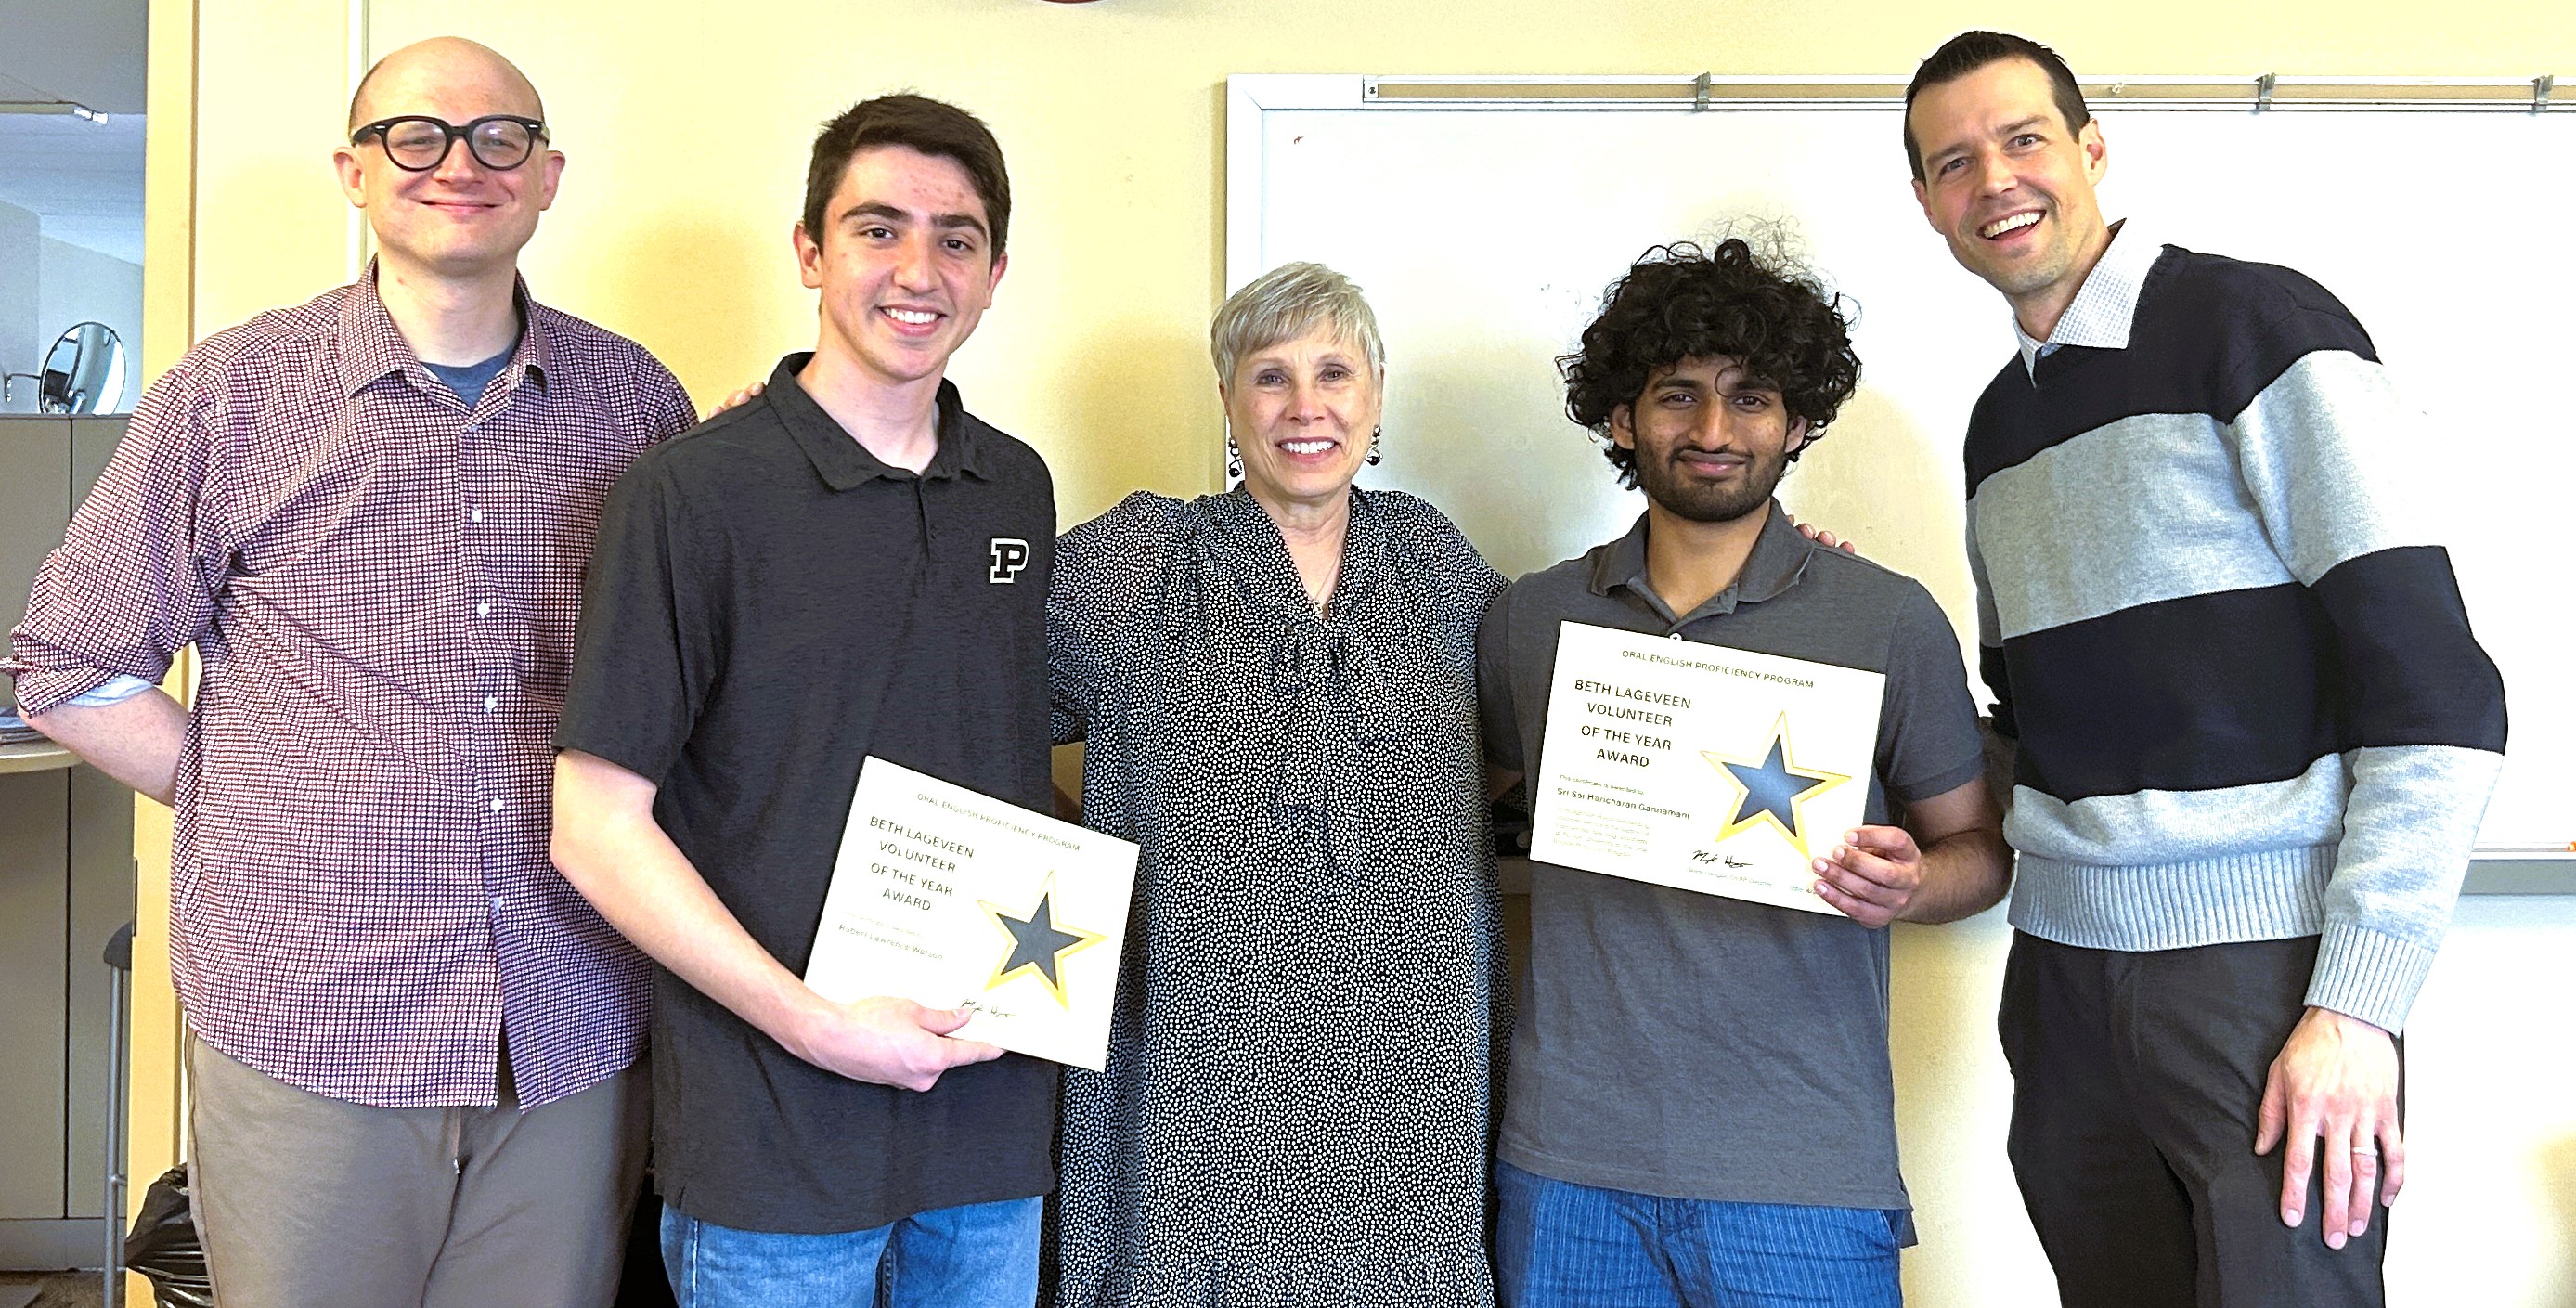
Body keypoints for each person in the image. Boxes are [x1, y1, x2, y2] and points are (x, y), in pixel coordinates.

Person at [2, 37, 693, 1308]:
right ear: (354, 172)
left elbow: (689, 671)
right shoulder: (233, 396)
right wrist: (259, 786)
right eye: (414, 136)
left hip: (573, 1013)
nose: (459, 165)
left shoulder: (636, 401)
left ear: (546, 176)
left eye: (499, 138)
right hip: (311, 1017)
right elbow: (69, 666)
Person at [1902, 30, 2509, 1307]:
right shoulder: (1996, 426)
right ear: (1926, 204)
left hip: (2262, 978)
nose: (1993, 180)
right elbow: (2032, 723)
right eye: (1953, 162)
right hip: (2061, 982)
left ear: (2091, 150)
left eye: (2022, 139)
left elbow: (2438, 696)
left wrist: (2355, 1006)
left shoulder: (2256, 328)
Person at [548, 95, 1055, 1308]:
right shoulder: (691, 495)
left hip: (985, 1126)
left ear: (993, 275)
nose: (917, 271)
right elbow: (593, 828)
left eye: (955, 238)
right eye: (877, 229)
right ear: (810, 253)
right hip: (770, 1137)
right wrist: (815, 1023)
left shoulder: (1015, 488)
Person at [1475, 238, 2009, 1308]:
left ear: (1798, 421)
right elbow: (1449, 818)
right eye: (1678, 394)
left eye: (1751, 397)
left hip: (1803, 1177)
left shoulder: (1887, 617)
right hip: (1567, 1169)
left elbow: (1980, 855)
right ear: (1621, 418)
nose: (1714, 430)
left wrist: (1910, 885)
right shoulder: (1531, 617)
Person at [1046, 262, 1506, 1305]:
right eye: (1271, 376)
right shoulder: (1140, 562)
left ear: (1375, 397)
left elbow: (1555, 698)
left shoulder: (1432, 560)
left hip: (1410, 1063)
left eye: (1334, 372)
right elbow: (958, 692)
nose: (1306, 406)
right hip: (1193, 1061)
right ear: (1227, 398)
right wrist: (1075, 849)